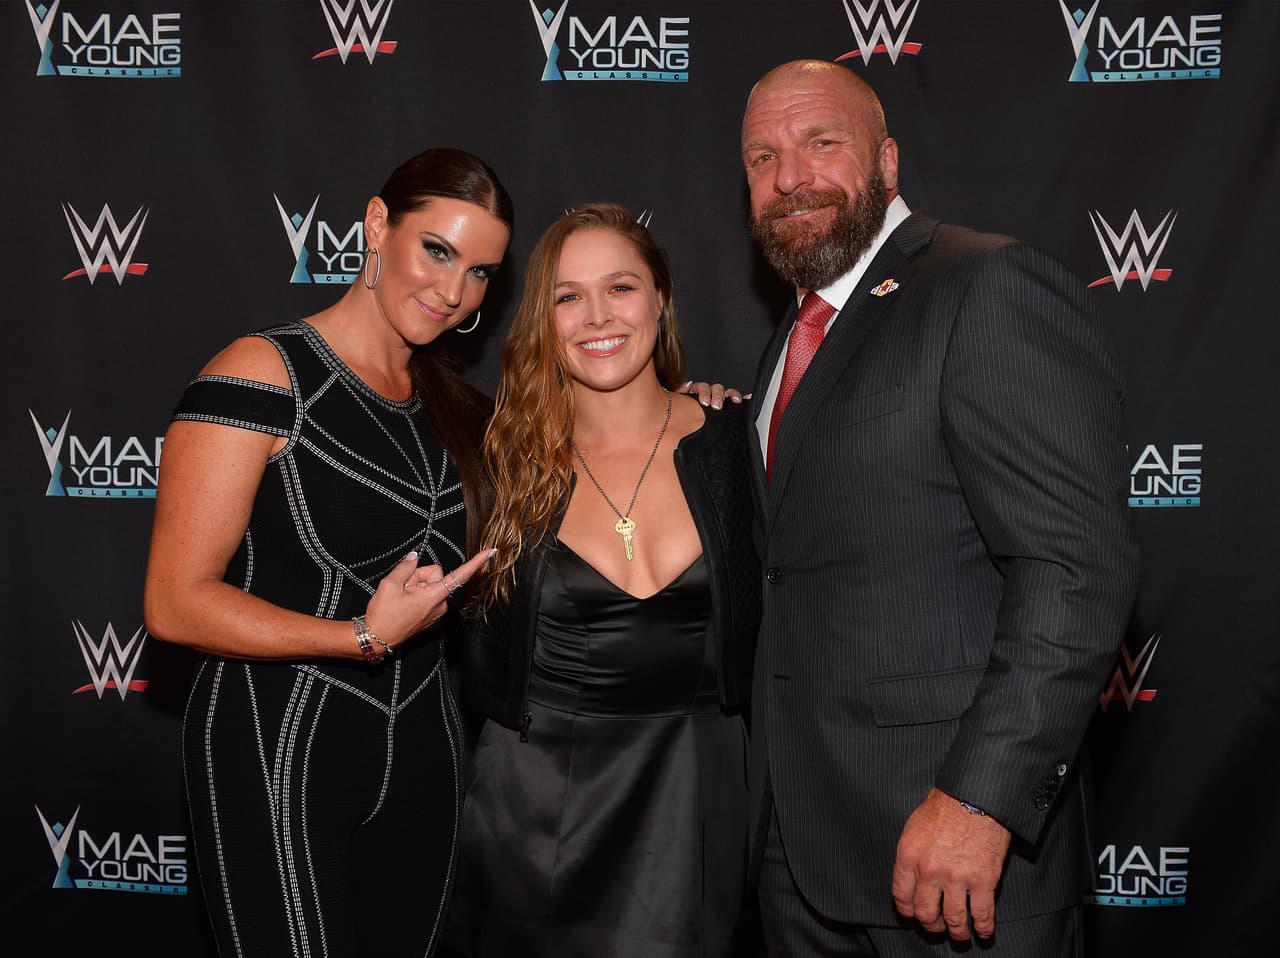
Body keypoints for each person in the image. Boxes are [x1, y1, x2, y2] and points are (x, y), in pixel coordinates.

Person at [740, 60, 1140, 956]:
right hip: (802, 861)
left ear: (886, 162)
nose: (789, 176)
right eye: (761, 157)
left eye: (821, 144)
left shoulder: (984, 287)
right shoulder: (789, 344)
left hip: (955, 865)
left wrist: (979, 800)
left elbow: (1074, 568)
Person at [143, 148, 513, 958]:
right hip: (273, 749)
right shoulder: (261, 373)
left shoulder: (460, 412)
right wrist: (360, 637)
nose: (453, 292)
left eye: (481, 272)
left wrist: (690, 407)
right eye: (438, 251)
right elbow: (174, 602)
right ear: (379, 226)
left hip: (427, 756)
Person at [445, 203, 761, 957]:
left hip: (705, 811)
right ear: (541, 321)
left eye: (621, 287)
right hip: (535, 823)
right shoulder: (493, 469)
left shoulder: (742, 448)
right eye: (567, 296)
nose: (597, 317)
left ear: (661, 300)